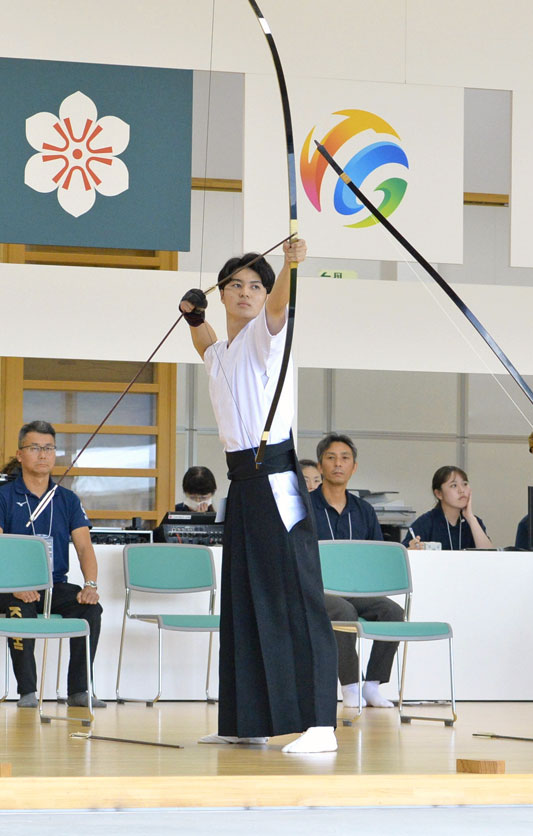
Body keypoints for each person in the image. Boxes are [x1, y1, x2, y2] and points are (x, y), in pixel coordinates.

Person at [179, 238, 338, 754]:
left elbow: (277, 307)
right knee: (244, 598)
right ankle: (246, 721)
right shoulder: (222, 351)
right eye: (235, 286)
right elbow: (205, 345)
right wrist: (190, 316)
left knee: (296, 594)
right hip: (242, 482)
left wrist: (290, 266)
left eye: (255, 285)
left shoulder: (268, 335)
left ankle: (320, 725)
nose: (246, 293)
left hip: (274, 476)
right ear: (222, 294)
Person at [0, 420, 104, 709]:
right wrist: (15, 586)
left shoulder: (68, 499)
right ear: (20, 454)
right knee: (20, 609)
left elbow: (85, 547)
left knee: (90, 608)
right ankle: (27, 692)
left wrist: (91, 585)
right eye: (35, 448)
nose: (43, 454)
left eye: (49, 448)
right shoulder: (0, 498)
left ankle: (78, 691)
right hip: (7, 588)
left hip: (52, 585)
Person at [308, 433, 400, 709]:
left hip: (354, 591)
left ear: (354, 467)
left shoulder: (364, 511)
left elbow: (374, 556)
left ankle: (372, 686)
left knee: (392, 612)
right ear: (320, 466)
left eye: (345, 458)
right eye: (331, 458)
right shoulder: (305, 506)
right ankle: (349, 686)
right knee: (343, 612)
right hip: (315, 589)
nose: (338, 464)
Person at [404, 466, 493, 550]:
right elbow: (403, 555)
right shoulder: (426, 522)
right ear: (439, 494)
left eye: (465, 484)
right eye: (454, 485)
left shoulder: (474, 522)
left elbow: (490, 557)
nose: (461, 490)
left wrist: (470, 517)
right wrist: (411, 549)